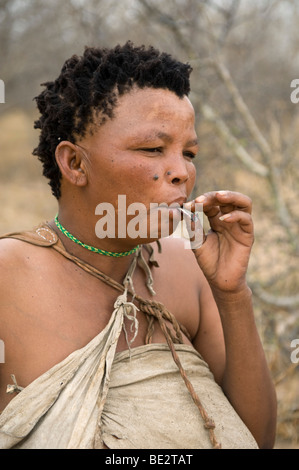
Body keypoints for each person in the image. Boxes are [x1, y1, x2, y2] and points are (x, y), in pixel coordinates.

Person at [0, 41, 276, 449]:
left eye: (189, 152)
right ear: (75, 163)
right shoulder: (9, 280)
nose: (182, 172)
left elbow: (258, 439)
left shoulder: (191, 272)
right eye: (152, 149)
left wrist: (232, 294)